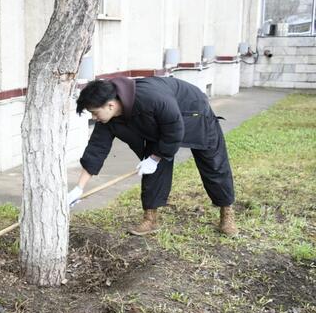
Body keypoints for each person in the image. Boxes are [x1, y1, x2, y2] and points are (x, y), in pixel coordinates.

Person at [67, 76, 238, 237]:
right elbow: (96, 149)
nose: (94, 117)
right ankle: (150, 219)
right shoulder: (107, 118)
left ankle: (227, 212)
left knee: (213, 163)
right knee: (152, 169)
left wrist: (155, 158)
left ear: (110, 105)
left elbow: (174, 129)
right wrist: (79, 188)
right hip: (161, 124)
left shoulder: (152, 98)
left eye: (94, 112)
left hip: (193, 112)